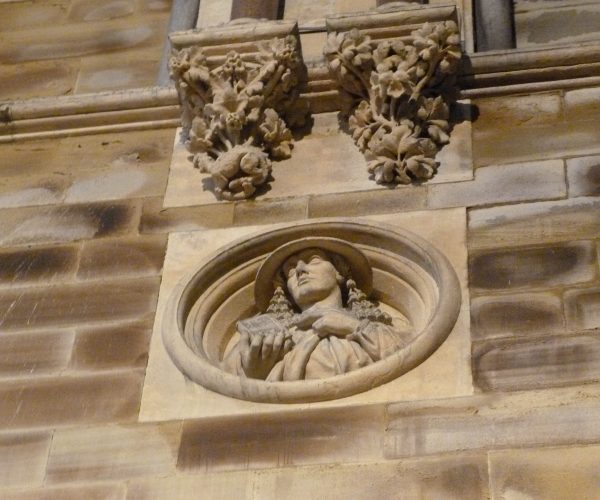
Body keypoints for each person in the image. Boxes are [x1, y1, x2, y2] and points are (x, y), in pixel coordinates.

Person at [222, 237, 410, 381]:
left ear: (339, 272)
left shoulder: (382, 330)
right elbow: (230, 379)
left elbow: (405, 359)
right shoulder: (265, 338)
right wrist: (255, 373)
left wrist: (353, 326)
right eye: (290, 269)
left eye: (313, 259)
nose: (299, 270)